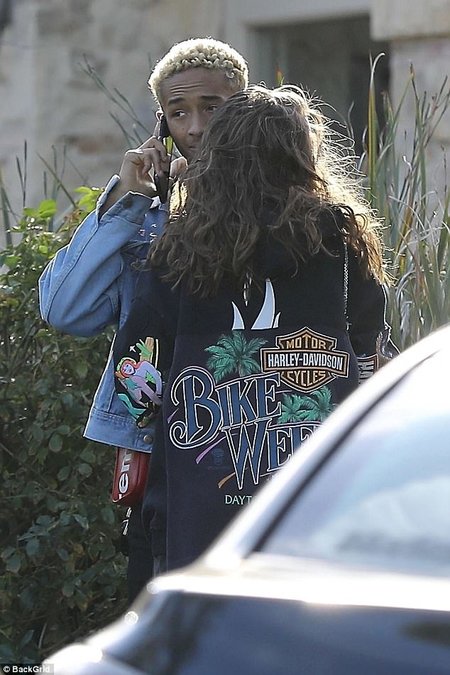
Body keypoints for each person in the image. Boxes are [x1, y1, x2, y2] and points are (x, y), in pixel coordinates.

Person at [113, 84, 398, 573]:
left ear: (217, 158)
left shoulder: (178, 250)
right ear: (302, 158)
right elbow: (373, 364)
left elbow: (135, 386)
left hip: (195, 523)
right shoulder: (343, 244)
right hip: (323, 516)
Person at [38, 37, 249, 601]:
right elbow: (64, 309)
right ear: (162, 126)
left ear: (245, 110)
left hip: (261, 447)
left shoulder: (294, 212)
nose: (196, 127)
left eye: (213, 107)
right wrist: (126, 203)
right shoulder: (149, 220)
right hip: (164, 457)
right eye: (179, 113)